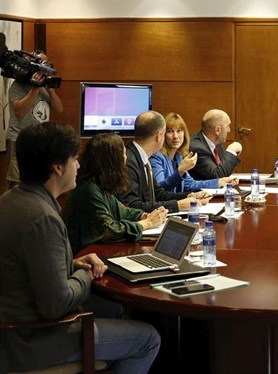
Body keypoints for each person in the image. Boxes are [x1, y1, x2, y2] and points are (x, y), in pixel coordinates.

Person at [0, 122, 160, 373]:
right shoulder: (42, 218)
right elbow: (56, 304)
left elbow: (24, 266)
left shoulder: (11, 200)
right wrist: (85, 274)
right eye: (74, 159)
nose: (78, 166)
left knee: (113, 308)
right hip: (31, 340)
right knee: (148, 339)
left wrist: (72, 265)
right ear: (58, 167)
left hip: (16, 323)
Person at [63, 133, 168, 255]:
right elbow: (110, 230)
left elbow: (123, 211)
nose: (126, 158)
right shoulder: (89, 190)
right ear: (113, 160)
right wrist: (147, 223)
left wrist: (144, 215)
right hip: (82, 259)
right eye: (123, 154)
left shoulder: (98, 186)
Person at [117, 110, 211, 213]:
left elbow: (159, 194)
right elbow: (132, 206)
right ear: (159, 136)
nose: (175, 136)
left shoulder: (141, 158)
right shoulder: (129, 161)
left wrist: (189, 196)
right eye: (168, 131)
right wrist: (178, 205)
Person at [5, 50, 63, 190]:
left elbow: (59, 109)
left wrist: (50, 90)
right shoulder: (18, 86)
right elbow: (20, 111)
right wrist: (35, 89)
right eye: (40, 63)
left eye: (45, 64)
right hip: (19, 140)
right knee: (17, 184)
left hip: (40, 141)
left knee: (38, 182)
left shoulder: (44, 86)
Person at [150, 112, 237, 193]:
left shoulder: (178, 156)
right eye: (170, 131)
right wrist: (180, 171)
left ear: (184, 133)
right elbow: (160, 190)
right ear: (162, 135)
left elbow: (190, 184)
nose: (175, 136)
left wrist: (219, 182)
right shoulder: (156, 157)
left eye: (179, 131)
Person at [190, 109, 243, 179]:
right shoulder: (197, 148)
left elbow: (223, 170)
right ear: (218, 130)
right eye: (227, 126)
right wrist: (231, 152)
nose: (229, 130)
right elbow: (217, 175)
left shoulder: (217, 144)